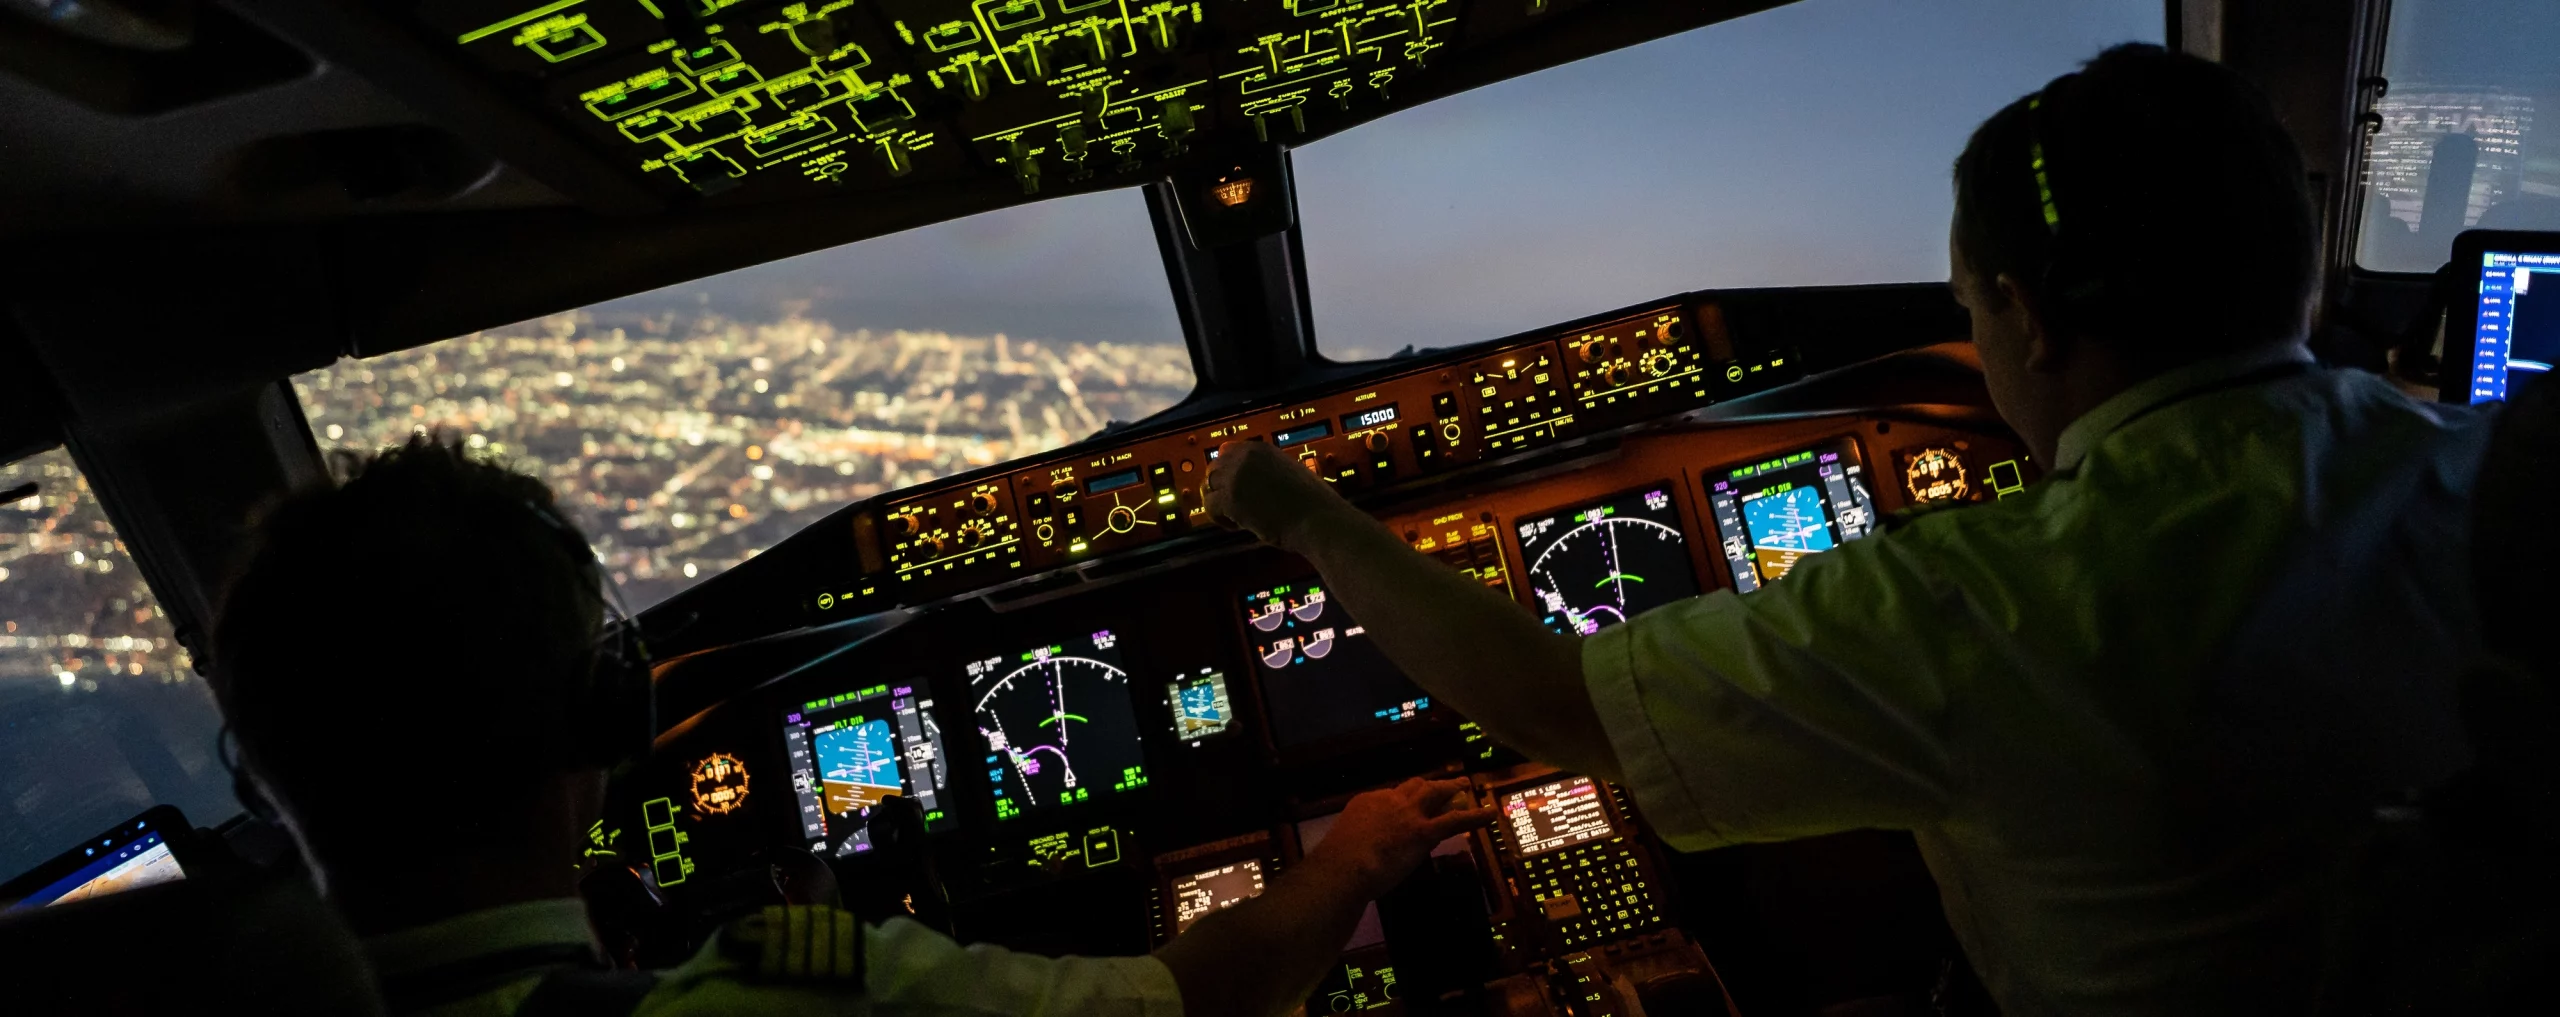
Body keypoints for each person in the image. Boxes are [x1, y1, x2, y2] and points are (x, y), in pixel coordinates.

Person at [1206, 43, 2493, 1016]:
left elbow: (1558, 708)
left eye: (1969, 309)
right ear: (2299, 270)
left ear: (2027, 317)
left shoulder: (1978, 606)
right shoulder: (2496, 477)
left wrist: (1303, 517)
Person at [211, 435, 1491, 1017]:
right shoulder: (804, 997)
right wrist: (1352, 856)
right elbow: (1191, 998)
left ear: (266, 775)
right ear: (600, 714)